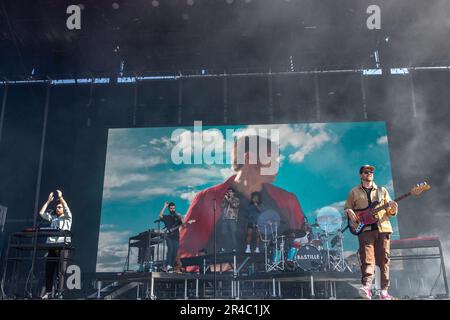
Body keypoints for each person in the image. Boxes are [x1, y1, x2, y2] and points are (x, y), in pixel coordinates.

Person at [179, 135, 305, 267]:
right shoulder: (208, 198)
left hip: (280, 283)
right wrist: (210, 267)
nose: (276, 164)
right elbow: (184, 253)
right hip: (223, 285)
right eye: (269, 158)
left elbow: (302, 244)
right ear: (248, 158)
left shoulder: (288, 200)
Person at [344, 165, 398, 300]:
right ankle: (366, 287)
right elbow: (348, 207)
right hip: (364, 230)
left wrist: (393, 208)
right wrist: (349, 211)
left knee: (384, 260)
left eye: (371, 172)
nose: (369, 174)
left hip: (383, 228)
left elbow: (390, 213)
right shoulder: (354, 192)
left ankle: (384, 292)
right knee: (367, 258)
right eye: (366, 172)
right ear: (361, 175)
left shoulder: (382, 190)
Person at [38, 190, 72, 299]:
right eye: (57, 207)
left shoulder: (67, 218)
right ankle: (48, 292)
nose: (57, 209)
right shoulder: (53, 218)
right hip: (52, 247)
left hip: (62, 247)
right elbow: (41, 213)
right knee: (49, 270)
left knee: (60, 271)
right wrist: (48, 201)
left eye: (59, 207)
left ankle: (59, 292)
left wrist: (61, 198)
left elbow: (66, 208)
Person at [159, 202, 184, 273]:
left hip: (176, 236)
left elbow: (183, 224)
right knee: (170, 249)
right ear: (169, 209)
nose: (172, 209)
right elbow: (160, 215)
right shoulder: (167, 217)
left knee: (175, 252)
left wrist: (181, 217)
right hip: (168, 236)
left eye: (173, 208)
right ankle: (168, 266)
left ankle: (171, 267)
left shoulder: (177, 216)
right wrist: (164, 206)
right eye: (171, 208)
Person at [219, 187, 240, 252]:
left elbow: (234, 206)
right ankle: (224, 248)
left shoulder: (236, 199)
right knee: (224, 233)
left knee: (233, 234)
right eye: (228, 191)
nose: (229, 192)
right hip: (225, 218)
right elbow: (221, 206)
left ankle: (234, 248)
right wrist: (224, 200)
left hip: (232, 219)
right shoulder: (225, 199)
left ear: (233, 193)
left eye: (230, 191)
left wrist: (228, 199)